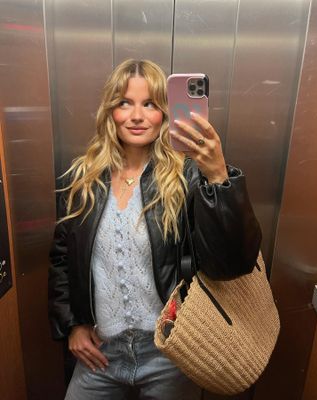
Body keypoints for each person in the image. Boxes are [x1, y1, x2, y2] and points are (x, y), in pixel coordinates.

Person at [48, 59, 262, 400]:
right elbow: (61, 258)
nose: (136, 115)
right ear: (110, 111)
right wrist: (72, 325)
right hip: (101, 351)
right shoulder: (82, 179)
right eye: (124, 103)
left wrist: (219, 178)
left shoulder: (186, 177)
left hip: (170, 351)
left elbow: (234, 262)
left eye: (149, 104)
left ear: (165, 112)